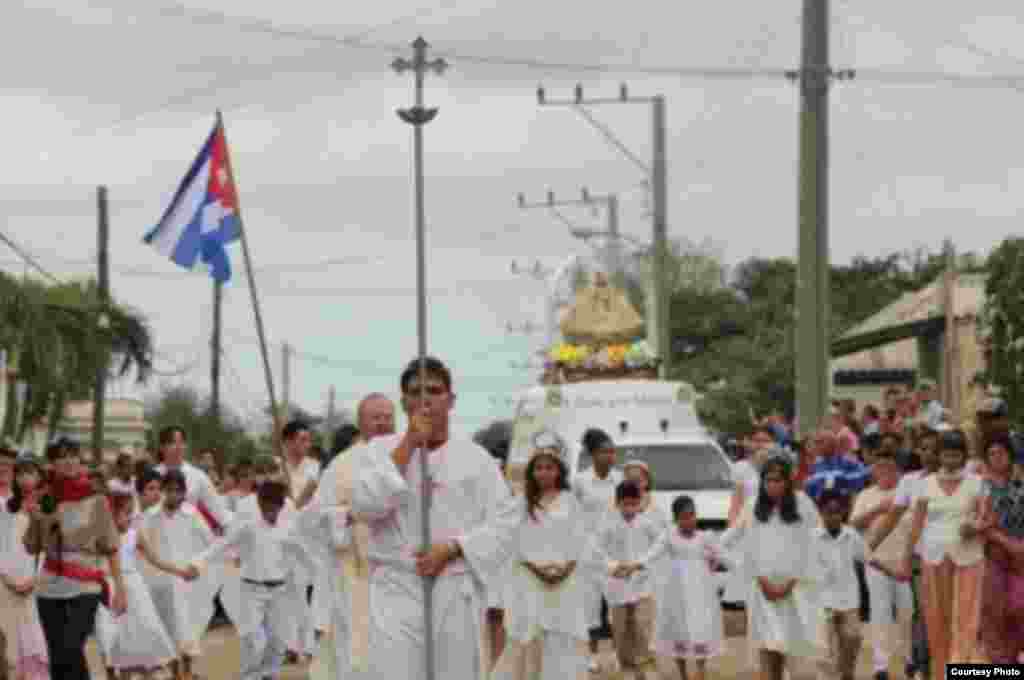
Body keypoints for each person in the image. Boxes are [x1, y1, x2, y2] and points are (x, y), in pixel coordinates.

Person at [347, 356, 519, 679]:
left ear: (451, 400)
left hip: (453, 586)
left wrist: (454, 548)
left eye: (435, 390)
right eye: (415, 392)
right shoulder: (378, 450)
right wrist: (410, 443)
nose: (424, 399)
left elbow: (505, 524)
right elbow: (365, 505)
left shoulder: (477, 459)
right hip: (396, 587)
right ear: (403, 401)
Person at [185, 480, 316, 680]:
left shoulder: (288, 529)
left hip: (279, 591)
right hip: (251, 591)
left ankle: (268, 675)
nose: (267, 512)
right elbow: (222, 544)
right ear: (259, 505)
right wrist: (198, 562)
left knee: (278, 643)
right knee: (254, 642)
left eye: (272, 508)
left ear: (281, 507)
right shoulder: (248, 527)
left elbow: (304, 553)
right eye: (263, 507)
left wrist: (318, 573)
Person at [23, 438, 127, 680]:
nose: (68, 461)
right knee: (58, 656)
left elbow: (111, 546)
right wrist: (36, 517)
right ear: (52, 463)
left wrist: (120, 587)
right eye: (61, 456)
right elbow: (32, 547)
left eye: (73, 455)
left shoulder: (97, 498)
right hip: (49, 585)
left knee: (71, 647)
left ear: (80, 460)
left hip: (86, 582)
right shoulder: (45, 497)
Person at [719, 455, 828, 680]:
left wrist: (792, 581)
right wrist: (755, 576)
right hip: (763, 592)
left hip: (798, 590)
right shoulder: (752, 506)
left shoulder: (803, 503)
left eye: (778, 480)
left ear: (788, 481)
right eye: (768, 480)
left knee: (801, 664)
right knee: (769, 659)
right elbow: (725, 543)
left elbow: (819, 541)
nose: (773, 485)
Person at [491, 430, 588, 680]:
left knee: (560, 639)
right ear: (531, 472)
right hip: (531, 580)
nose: (544, 473)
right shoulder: (522, 502)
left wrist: (565, 569)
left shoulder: (570, 501)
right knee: (531, 638)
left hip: (564, 582)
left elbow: (580, 539)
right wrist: (537, 568)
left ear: (559, 471)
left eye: (549, 467)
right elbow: (513, 539)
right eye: (539, 468)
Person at [904, 429, 986, 680]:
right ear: (939, 455)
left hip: (969, 557)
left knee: (966, 619)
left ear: (964, 456)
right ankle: (941, 674)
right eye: (946, 455)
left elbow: (987, 518)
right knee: (936, 619)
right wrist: (907, 557)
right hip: (933, 557)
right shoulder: (925, 484)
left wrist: (975, 527)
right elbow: (916, 525)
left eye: (956, 455)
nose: (951, 460)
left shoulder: (977, 482)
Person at [621, 494, 727, 680]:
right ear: (676, 519)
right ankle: (683, 674)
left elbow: (724, 556)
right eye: (684, 517)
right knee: (680, 629)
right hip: (677, 592)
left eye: (692, 515)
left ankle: (700, 671)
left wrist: (742, 567)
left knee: (701, 627)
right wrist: (634, 565)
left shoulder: (705, 537)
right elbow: (652, 554)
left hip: (701, 592)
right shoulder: (669, 536)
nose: (689, 520)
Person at [141, 468, 222, 680]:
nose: (174, 495)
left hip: (187, 583)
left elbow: (211, 544)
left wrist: (197, 566)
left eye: (178, 491)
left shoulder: (192, 514)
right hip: (158, 584)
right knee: (165, 632)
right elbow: (143, 551)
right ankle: (173, 672)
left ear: (184, 492)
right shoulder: (150, 516)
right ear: (163, 491)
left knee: (187, 630)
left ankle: (185, 673)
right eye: (169, 490)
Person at [94, 492, 181, 680]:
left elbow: (155, 559)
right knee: (113, 634)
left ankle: (163, 668)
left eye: (130, 512)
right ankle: (117, 673)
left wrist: (179, 570)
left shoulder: (135, 534)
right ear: (112, 513)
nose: (129, 517)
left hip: (135, 585)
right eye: (125, 512)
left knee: (148, 627)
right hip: (110, 585)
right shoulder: (102, 537)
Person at [850, 448, 914, 680]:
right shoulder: (866, 495)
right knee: (880, 613)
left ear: (898, 469)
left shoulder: (907, 493)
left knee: (907, 611)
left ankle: (910, 659)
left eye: (890, 467)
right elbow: (853, 525)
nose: (885, 472)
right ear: (874, 471)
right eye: (880, 467)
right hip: (875, 562)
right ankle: (881, 666)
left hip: (904, 562)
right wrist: (878, 509)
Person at [592, 481, 662, 680]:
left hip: (641, 582)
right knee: (621, 627)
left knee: (642, 624)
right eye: (625, 504)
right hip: (617, 583)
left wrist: (641, 563)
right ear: (617, 502)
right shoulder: (607, 524)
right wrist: (613, 566)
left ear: (639, 502)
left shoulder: (646, 522)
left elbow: (659, 544)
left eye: (634, 504)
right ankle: (627, 667)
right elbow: (596, 549)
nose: (630, 509)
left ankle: (646, 665)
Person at [573, 427, 622, 671]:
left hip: (615, 551)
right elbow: (572, 517)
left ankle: (615, 653)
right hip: (588, 554)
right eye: (605, 452)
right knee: (590, 607)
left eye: (613, 452)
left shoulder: (620, 480)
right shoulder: (579, 481)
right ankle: (590, 656)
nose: (610, 456)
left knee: (615, 605)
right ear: (593, 455)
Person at [977, 433, 1024, 664]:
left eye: (1001, 452)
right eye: (991, 454)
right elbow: (982, 523)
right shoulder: (980, 487)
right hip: (993, 555)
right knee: (994, 615)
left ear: (1010, 455)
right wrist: (1007, 543)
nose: (996, 458)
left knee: (1019, 609)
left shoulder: (1021, 483)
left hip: (1021, 557)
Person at [0, 454, 48, 680]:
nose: (25, 478)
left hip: (34, 586)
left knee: (32, 644)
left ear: (40, 476)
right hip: (5, 583)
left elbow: (47, 549)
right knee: (8, 646)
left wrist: (34, 580)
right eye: (20, 473)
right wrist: (5, 577)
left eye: (30, 473)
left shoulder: (47, 508)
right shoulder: (7, 508)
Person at [814, 490, 866, 680]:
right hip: (822, 600)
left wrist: (892, 570)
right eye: (828, 512)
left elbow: (868, 558)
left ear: (843, 512)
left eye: (837, 512)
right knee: (823, 648)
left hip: (849, 599)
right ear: (821, 512)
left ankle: (847, 673)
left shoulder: (852, 535)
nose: (833, 516)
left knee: (852, 639)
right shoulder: (812, 537)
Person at [154, 427, 231, 534]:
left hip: (188, 537)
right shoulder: (152, 475)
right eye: (172, 442)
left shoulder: (198, 476)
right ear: (162, 447)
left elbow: (220, 512)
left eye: (181, 443)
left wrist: (234, 528)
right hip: (158, 535)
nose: (178, 447)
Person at [283, 421, 320, 510]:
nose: (308, 445)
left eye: (309, 440)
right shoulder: (277, 466)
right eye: (303, 440)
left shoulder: (315, 466)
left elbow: (309, 492)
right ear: (288, 442)